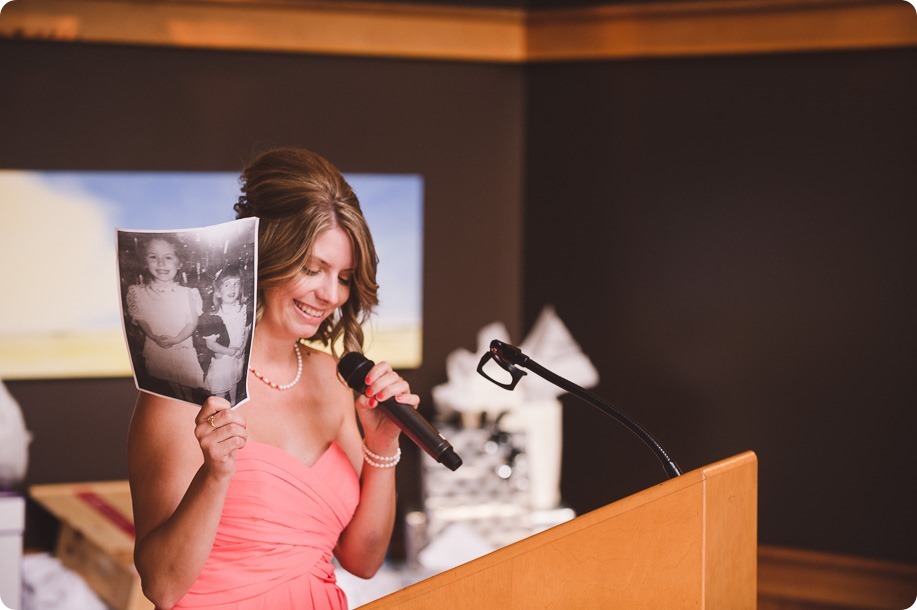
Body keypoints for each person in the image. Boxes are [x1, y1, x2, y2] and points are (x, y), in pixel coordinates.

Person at [127, 147, 415, 610]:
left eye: (343, 277)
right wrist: (215, 475)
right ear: (266, 257)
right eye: (312, 269)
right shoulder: (182, 382)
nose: (329, 295)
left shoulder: (333, 380)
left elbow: (363, 560)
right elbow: (160, 585)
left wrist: (382, 447)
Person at [126, 235, 206, 402]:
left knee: (188, 386)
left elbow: (192, 321)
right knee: (172, 389)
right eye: (153, 257)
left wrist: (176, 339)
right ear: (145, 262)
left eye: (168, 257)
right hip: (159, 347)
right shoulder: (138, 293)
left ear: (179, 263)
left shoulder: (187, 293)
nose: (161, 263)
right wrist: (154, 336)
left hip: (181, 347)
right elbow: (141, 319)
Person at [202, 267, 252, 405]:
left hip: (237, 356)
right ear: (218, 292)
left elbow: (246, 330)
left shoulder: (243, 310)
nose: (232, 288)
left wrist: (242, 347)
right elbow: (210, 344)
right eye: (227, 284)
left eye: (236, 284)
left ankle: (234, 404)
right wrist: (229, 351)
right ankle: (220, 410)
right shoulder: (215, 317)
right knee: (221, 390)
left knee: (234, 382)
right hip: (222, 359)